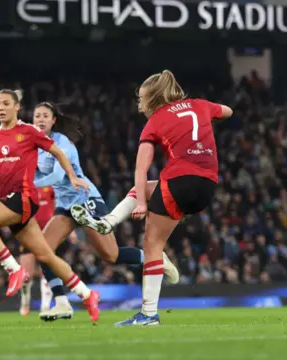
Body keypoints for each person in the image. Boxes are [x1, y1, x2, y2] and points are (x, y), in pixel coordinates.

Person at [86, 70, 232, 326]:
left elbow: (141, 167)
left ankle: (148, 313)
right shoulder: (200, 105)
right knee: (151, 188)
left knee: (152, 244)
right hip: (207, 186)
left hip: (179, 180)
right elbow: (228, 111)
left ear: (153, 99)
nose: (139, 105)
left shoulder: (155, 121)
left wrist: (142, 205)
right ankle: (109, 221)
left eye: (142, 99)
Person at [0, 89, 101, 322]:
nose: (0, 108)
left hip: (23, 197)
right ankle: (87, 294)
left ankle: (13, 270)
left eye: (5, 103)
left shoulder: (28, 131)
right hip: (12, 200)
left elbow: (58, 152)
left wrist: (71, 175)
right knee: (46, 256)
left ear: (17, 107)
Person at [28, 102, 180, 322]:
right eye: (36, 116)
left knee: (111, 255)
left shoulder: (63, 144)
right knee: (42, 249)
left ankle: (155, 259)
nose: (40, 119)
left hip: (86, 200)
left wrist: (30, 183)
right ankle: (61, 303)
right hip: (65, 206)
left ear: (53, 121)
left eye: (45, 116)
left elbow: (57, 177)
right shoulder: (35, 146)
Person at [19, 186, 55, 317]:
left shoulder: (50, 186)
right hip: (29, 232)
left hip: (48, 232)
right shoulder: (24, 186)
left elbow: (57, 207)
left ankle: (45, 307)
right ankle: (25, 302)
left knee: (47, 270)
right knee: (25, 276)